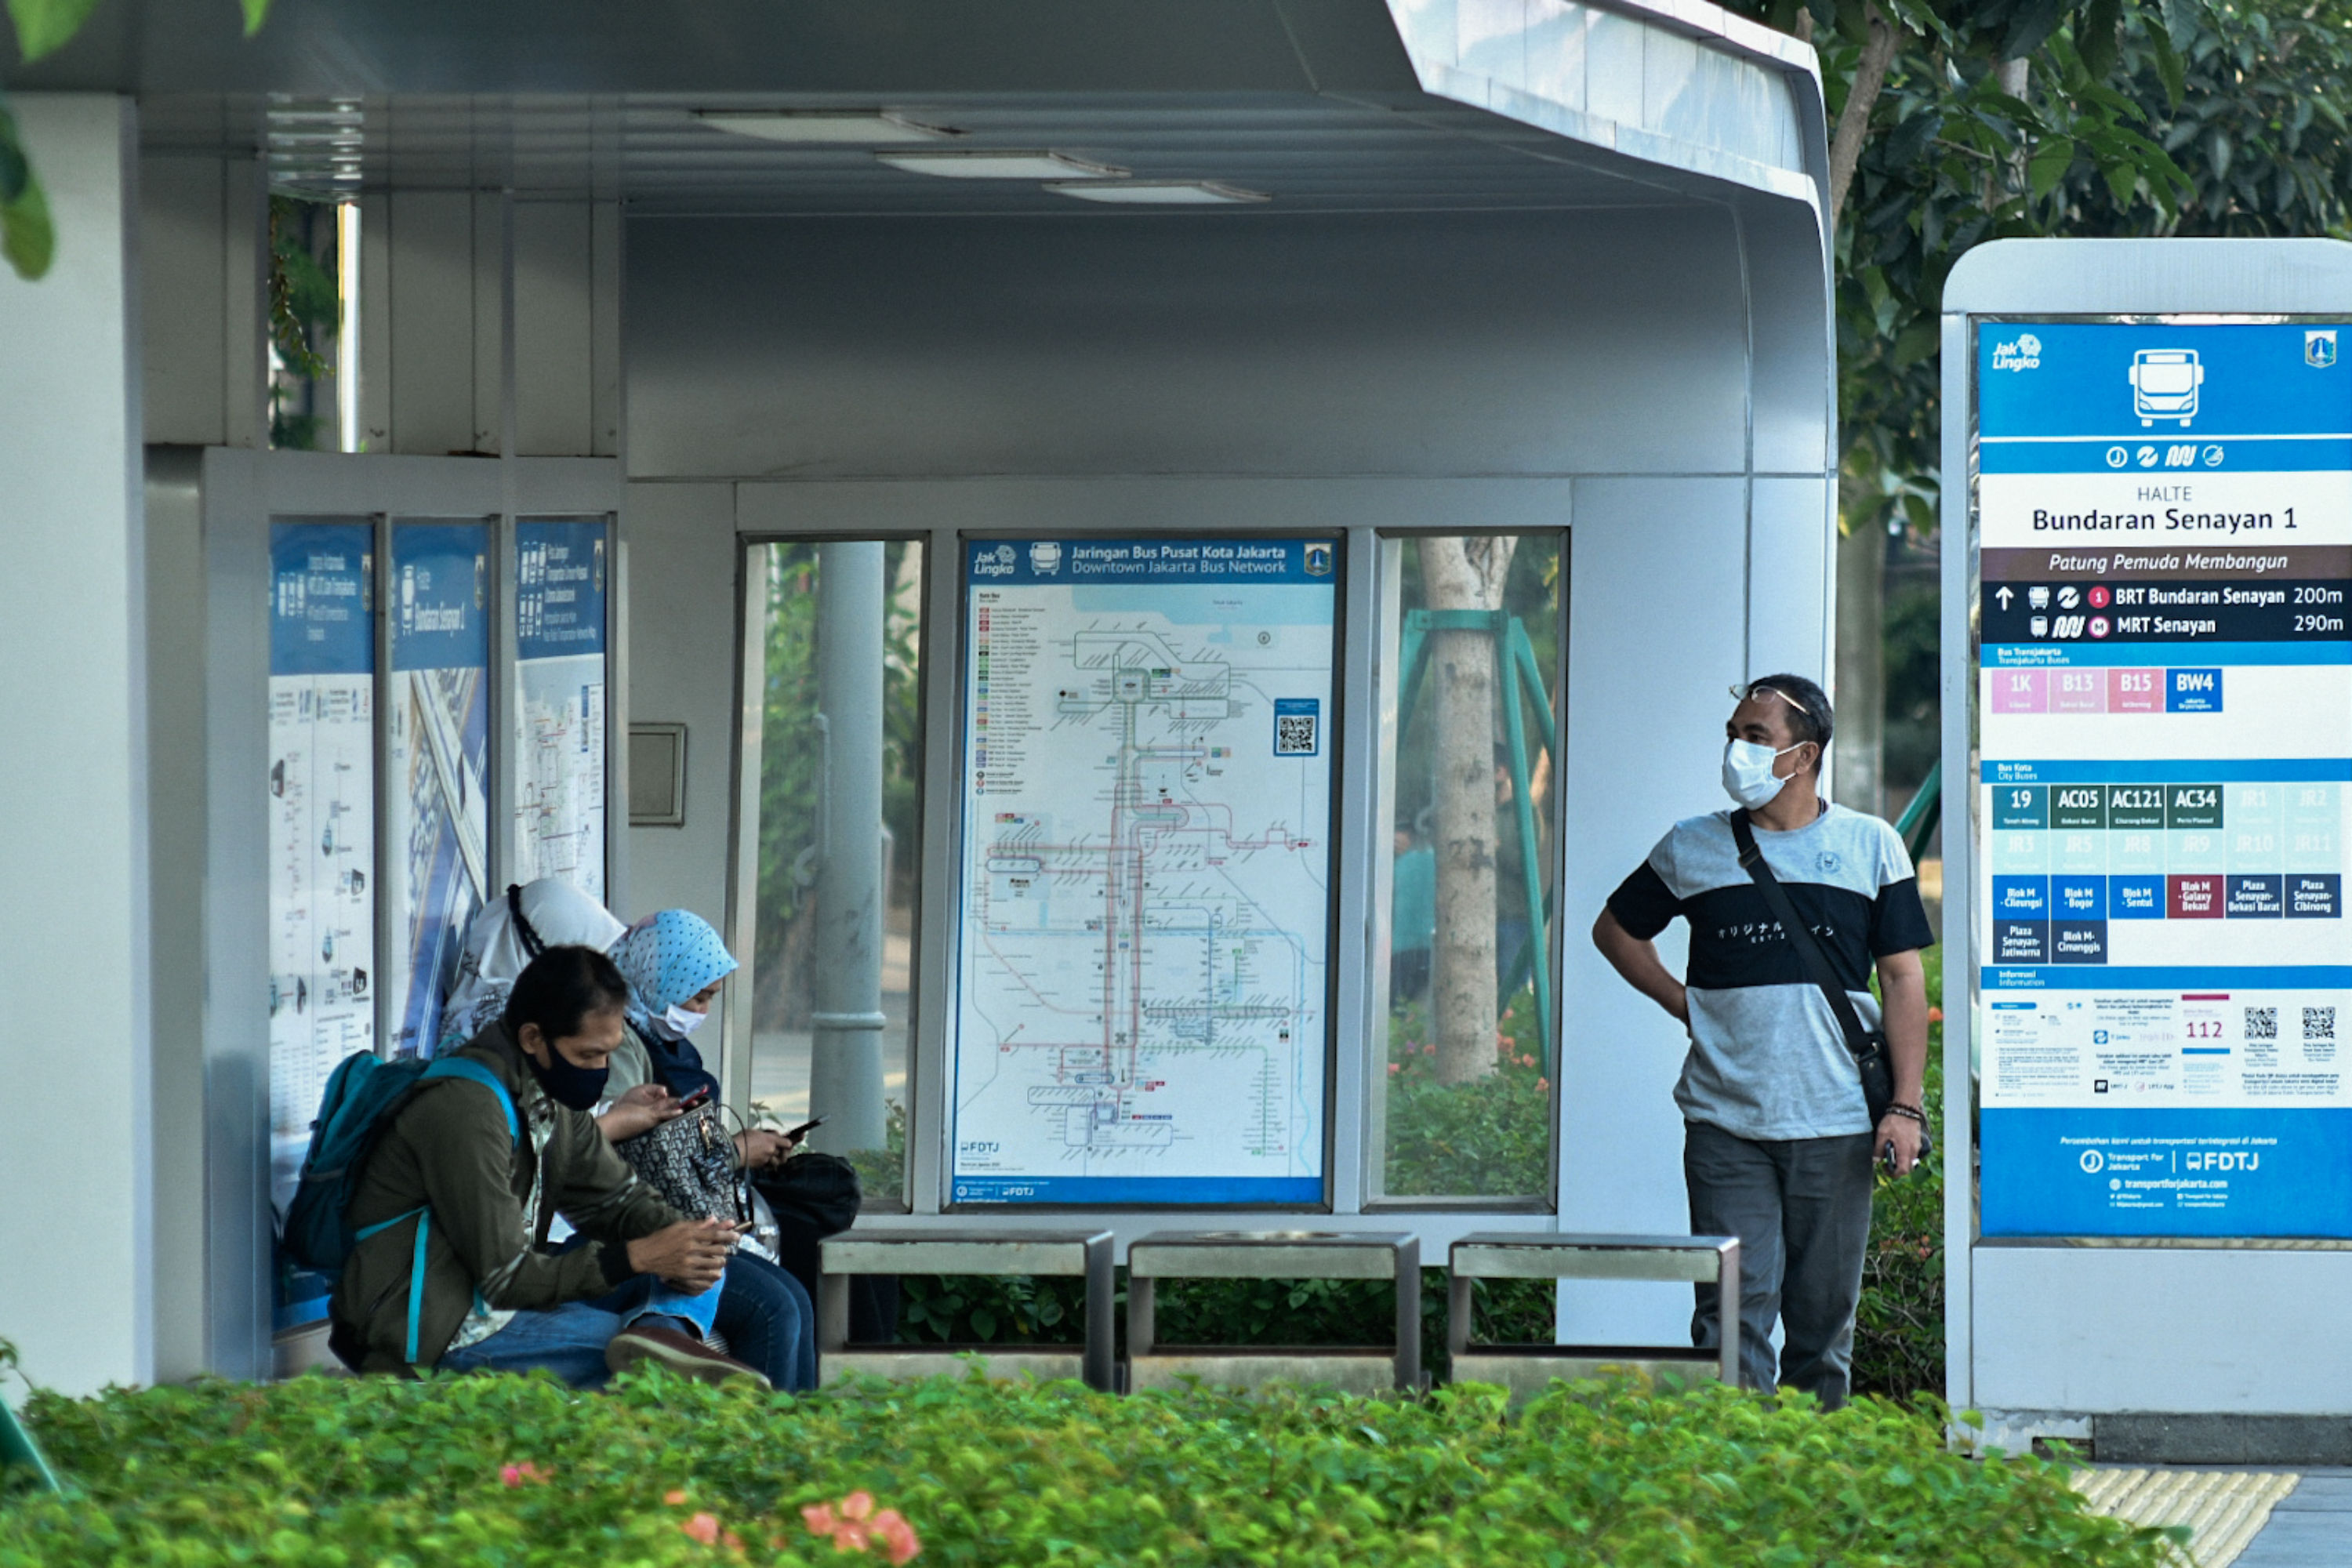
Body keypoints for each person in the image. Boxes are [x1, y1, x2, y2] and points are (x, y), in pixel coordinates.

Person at [1591, 673, 1932, 1409]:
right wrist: (1684, 1004)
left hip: (1836, 1122)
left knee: (1821, 1326)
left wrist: (1904, 1107)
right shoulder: (1694, 845)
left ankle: (1815, 1479)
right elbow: (1615, 930)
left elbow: (1904, 981)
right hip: (1725, 1125)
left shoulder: (1871, 845)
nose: (1736, 749)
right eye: (1733, 734)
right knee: (1729, 1321)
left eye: (1755, 737)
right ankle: (1737, 1482)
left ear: (1803, 755)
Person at [331, 944, 789, 1389]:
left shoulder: (550, 1097)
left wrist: (685, 1240)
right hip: (443, 1328)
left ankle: (659, 1334)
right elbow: (505, 1276)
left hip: (499, 1302)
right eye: (589, 1055)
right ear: (533, 1037)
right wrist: (639, 1256)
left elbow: (618, 1199)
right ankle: (660, 1344)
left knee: (701, 1255)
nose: (602, 1069)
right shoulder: (464, 1109)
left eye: (609, 1053)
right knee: (659, 1376)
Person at [604, 909, 819, 1392]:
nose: (700, 1012)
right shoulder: (614, 1043)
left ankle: (794, 1440)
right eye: (697, 996)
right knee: (773, 1306)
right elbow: (626, 1155)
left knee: (793, 1297)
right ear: (658, 979)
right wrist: (732, 1151)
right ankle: (755, 1452)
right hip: (628, 1225)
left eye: (709, 1000)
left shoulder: (665, 1042)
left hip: (672, 1215)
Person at [1389, 823, 1436, 1006]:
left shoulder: (1398, 867)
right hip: (1431, 947)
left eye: (1397, 839)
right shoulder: (1440, 865)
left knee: (1400, 1006)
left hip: (1402, 947)